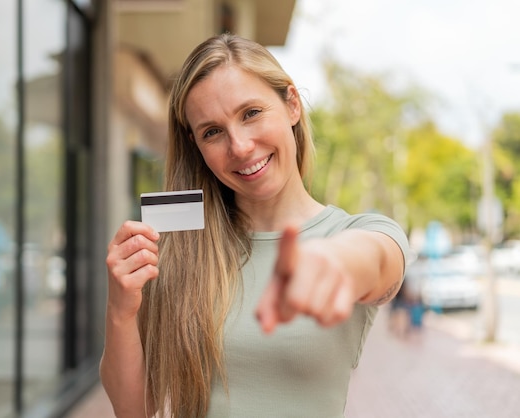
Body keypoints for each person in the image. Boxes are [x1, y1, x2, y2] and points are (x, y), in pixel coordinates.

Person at [100, 33, 409, 418]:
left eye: (251, 113)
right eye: (212, 132)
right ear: (197, 145)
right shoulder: (175, 250)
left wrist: (332, 260)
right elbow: (134, 411)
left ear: (291, 104)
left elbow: (378, 259)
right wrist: (120, 309)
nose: (240, 146)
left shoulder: (355, 233)